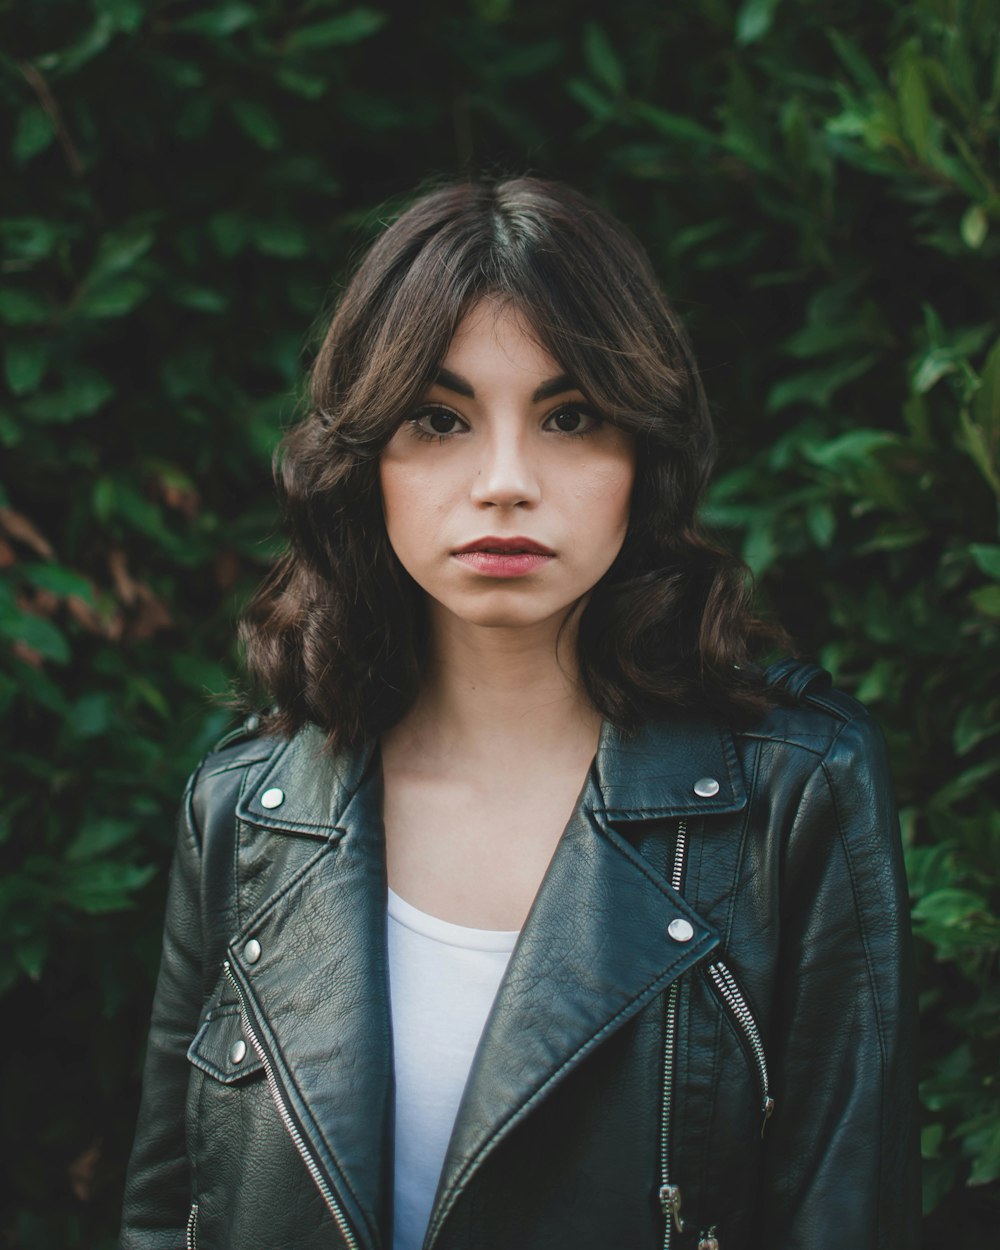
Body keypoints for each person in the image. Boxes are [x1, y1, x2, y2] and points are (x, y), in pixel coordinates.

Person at [120, 177, 919, 1250]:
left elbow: (845, 1211)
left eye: (571, 415)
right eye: (438, 419)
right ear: (368, 462)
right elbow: (169, 1214)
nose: (503, 480)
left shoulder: (794, 793)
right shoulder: (246, 808)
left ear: (644, 452)